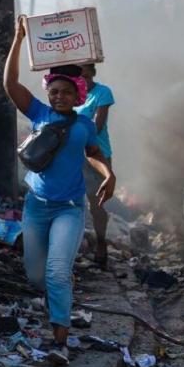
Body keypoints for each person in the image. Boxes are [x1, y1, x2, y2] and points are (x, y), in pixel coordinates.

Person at [3, 15, 116, 365]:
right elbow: (10, 83)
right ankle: (57, 301)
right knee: (36, 275)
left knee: (56, 271)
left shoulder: (83, 125)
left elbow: (94, 154)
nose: (60, 96)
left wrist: (108, 175)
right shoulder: (38, 113)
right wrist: (19, 38)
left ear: (77, 94)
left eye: (67, 92)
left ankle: (60, 342)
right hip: (36, 206)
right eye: (54, 91)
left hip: (69, 208)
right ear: (48, 93)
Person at [76, 63, 116, 268]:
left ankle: (101, 243)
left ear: (92, 73)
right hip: (72, 154)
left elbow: (97, 126)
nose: (82, 80)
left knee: (95, 203)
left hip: (96, 154)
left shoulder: (102, 93)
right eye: (78, 76)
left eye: (86, 76)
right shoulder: (68, 92)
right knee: (70, 201)